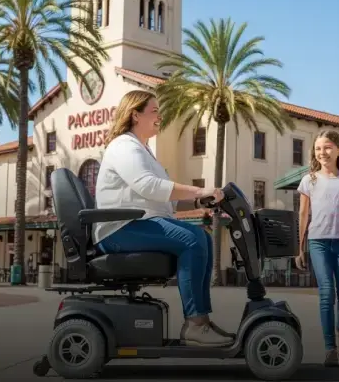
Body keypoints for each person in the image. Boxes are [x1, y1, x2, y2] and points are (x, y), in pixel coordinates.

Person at [94, 89, 234, 347]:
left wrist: (196, 199)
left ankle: (201, 320)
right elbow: (149, 187)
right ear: (135, 115)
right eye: (155, 111)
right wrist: (198, 190)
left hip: (137, 224)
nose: (160, 116)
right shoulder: (124, 146)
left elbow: (162, 195)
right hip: (120, 229)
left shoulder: (143, 150)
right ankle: (195, 324)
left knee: (200, 236)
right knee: (192, 239)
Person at [294, 130, 339, 367]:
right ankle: (330, 347)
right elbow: (303, 214)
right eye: (318, 148)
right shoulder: (309, 179)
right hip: (318, 242)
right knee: (326, 294)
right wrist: (299, 248)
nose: (322, 152)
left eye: (328, 147)